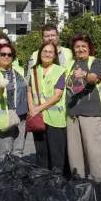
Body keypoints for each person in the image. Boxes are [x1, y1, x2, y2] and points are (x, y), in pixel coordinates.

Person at [65, 34, 101, 182]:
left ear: (89, 48)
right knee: (75, 156)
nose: (80, 49)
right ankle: (80, 189)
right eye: (77, 46)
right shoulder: (69, 64)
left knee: (94, 154)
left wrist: (84, 74)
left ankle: (99, 189)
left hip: (91, 114)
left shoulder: (95, 62)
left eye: (84, 46)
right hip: (72, 115)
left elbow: (94, 78)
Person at [27, 42, 68, 170]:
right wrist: (31, 108)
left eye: (50, 52)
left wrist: (37, 108)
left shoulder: (60, 71)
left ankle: (56, 181)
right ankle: (43, 180)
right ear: (40, 53)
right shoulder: (34, 70)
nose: (47, 54)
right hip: (38, 118)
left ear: (55, 55)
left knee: (57, 153)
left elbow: (57, 96)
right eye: (44, 51)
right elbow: (29, 90)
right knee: (41, 153)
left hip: (55, 118)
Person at [0, 44, 28, 160]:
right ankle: (4, 176)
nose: (6, 57)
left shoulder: (19, 71)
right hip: (6, 116)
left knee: (18, 149)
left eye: (9, 54)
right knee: (5, 151)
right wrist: (1, 86)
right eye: (3, 54)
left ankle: (16, 175)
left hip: (22, 115)